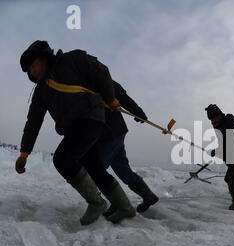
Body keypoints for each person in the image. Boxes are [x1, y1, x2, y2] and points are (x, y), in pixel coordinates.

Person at [16, 40, 135, 225]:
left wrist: (111, 99)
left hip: (91, 118)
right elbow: (33, 122)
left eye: (34, 65)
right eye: (29, 70)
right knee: (93, 165)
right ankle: (125, 207)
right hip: (74, 129)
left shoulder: (72, 60)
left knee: (62, 159)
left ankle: (96, 203)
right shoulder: (41, 91)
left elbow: (101, 72)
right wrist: (24, 152)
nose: (33, 71)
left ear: (44, 58)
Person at [100, 81, 159, 218]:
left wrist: (137, 112)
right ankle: (148, 196)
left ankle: (118, 203)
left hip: (109, 132)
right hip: (113, 131)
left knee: (96, 170)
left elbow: (120, 94)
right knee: (122, 168)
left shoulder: (93, 73)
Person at [205, 104, 234, 210]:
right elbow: (221, 141)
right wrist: (217, 150)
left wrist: (221, 148)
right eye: (211, 120)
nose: (213, 122)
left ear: (219, 115)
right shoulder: (217, 126)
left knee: (230, 177)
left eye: (214, 118)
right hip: (229, 155)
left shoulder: (229, 119)